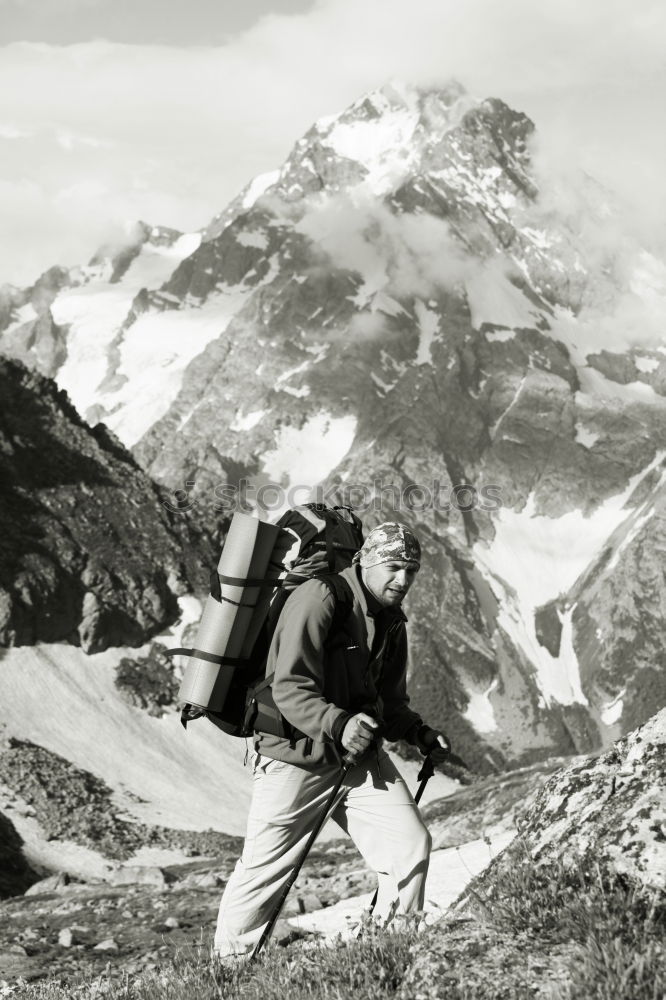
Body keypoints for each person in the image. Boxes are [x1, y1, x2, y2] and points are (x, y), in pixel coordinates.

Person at [213, 521, 450, 957]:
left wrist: (420, 733)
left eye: (411, 571)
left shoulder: (392, 621)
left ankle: (388, 957)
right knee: (265, 874)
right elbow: (288, 685)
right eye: (394, 566)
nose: (403, 580)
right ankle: (227, 976)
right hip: (294, 757)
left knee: (410, 843)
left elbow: (390, 702)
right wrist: (340, 724)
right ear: (366, 561)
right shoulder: (319, 597)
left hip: (356, 758)